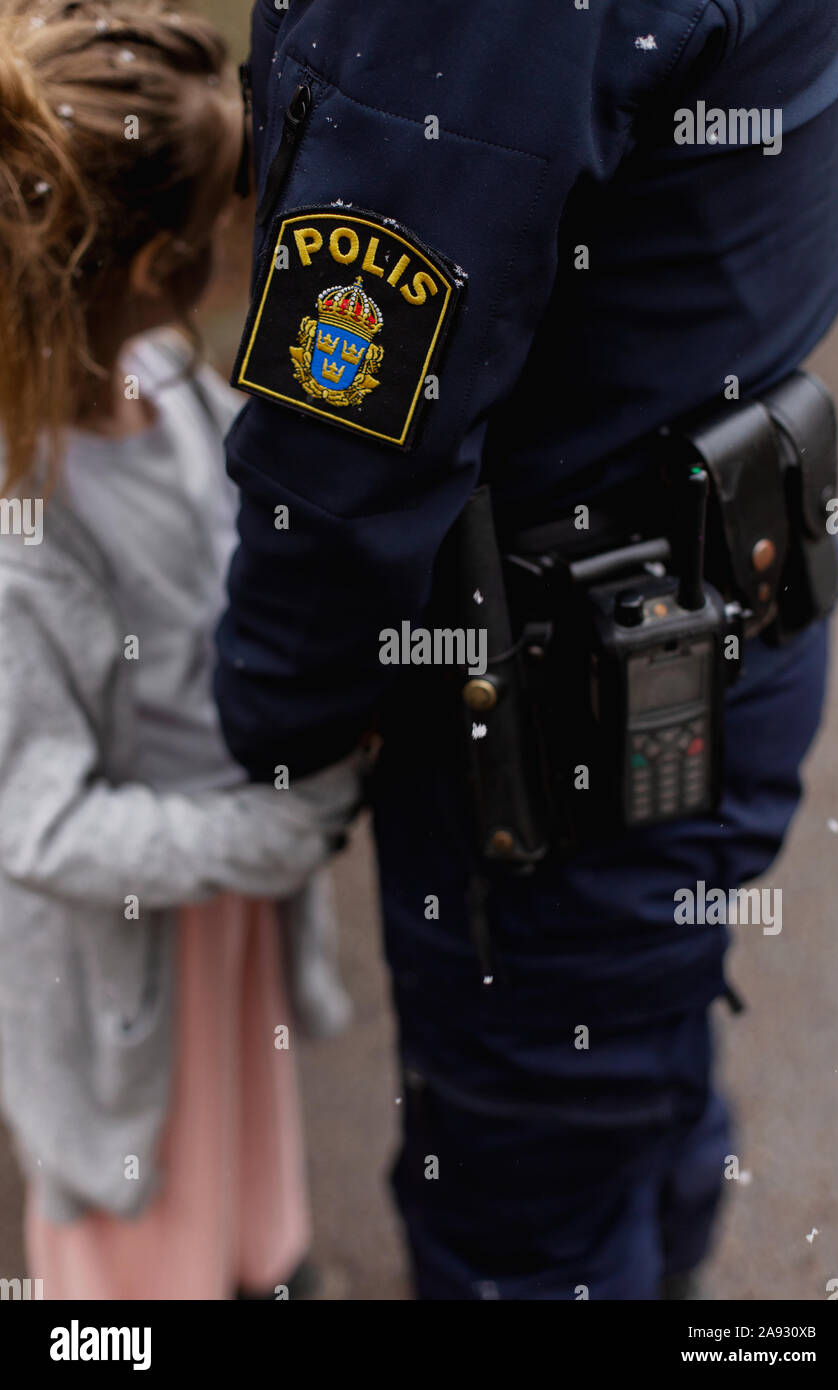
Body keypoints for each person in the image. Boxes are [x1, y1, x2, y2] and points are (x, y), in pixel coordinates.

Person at [215, 0, 838, 1299]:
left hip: (553, 729)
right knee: (630, 1088)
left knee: (528, 1221)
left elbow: (344, 461)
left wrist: (270, 720)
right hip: (693, 641)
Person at [0, 0, 358, 1301]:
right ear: (162, 262)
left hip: (213, 919)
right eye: (224, 219)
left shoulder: (172, 391)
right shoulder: (23, 535)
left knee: (229, 1146)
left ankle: (257, 1266)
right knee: (140, 1221)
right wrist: (268, 831)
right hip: (124, 956)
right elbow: (37, 827)